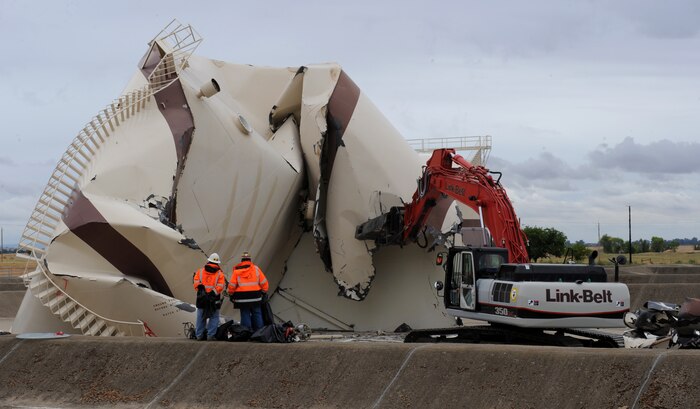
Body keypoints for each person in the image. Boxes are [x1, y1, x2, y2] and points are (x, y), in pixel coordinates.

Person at [228, 251, 269, 331]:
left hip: (242, 298)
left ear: (242, 260)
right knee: (257, 313)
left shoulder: (237, 271)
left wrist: (231, 294)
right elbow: (264, 283)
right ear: (250, 260)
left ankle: (247, 332)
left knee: (245, 314)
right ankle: (259, 332)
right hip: (255, 296)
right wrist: (263, 292)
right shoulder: (256, 269)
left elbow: (232, 286)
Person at [193, 253, 225, 340]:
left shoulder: (200, 271)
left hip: (202, 298)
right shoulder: (220, 274)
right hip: (214, 299)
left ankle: (199, 335)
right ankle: (210, 335)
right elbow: (220, 286)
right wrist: (212, 293)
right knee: (214, 317)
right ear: (217, 263)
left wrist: (201, 290)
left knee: (200, 316)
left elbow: (196, 283)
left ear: (208, 261)